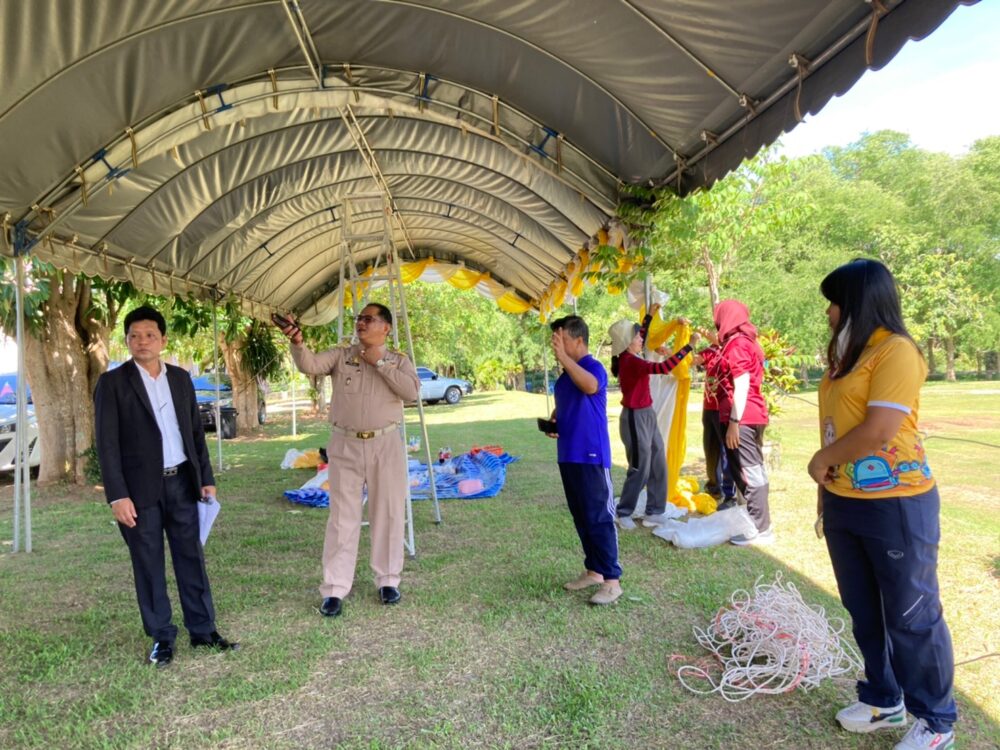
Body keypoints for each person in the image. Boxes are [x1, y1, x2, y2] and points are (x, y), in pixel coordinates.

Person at [808, 259, 956, 750]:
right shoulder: (850, 355)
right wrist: (826, 489)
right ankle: (883, 698)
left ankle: (936, 722)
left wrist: (821, 461)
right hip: (845, 501)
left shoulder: (897, 351)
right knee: (864, 609)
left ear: (858, 302)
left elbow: (879, 431)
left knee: (911, 615)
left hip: (896, 504)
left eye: (835, 302)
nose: (829, 312)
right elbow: (836, 426)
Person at [94, 305, 238, 668]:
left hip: (183, 483)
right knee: (148, 564)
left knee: (191, 557)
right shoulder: (112, 383)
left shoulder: (180, 378)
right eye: (134, 336)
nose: (142, 342)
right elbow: (106, 444)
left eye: (150, 335)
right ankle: (162, 636)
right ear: (127, 341)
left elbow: (195, 433)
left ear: (163, 340)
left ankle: (203, 630)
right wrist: (117, 495)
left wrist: (206, 479)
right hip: (138, 492)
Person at [277, 303, 419, 617]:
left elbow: (411, 392)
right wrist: (297, 342)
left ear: (386, 327)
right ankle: (335, 588)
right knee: (342, 517)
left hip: (386, 443)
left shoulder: (399, 360)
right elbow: (310, 364)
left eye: (369, 319)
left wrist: (379, 361)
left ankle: (388, 580)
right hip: (345, 444)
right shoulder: (342, 355)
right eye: (359, 319)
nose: (361, 323)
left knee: (389, 513)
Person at [547, 315, 621, 605]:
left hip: (591, 456)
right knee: (581, 516)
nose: (556, 346)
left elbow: (590, 386)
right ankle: (594, 571)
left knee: (599, 517)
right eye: (554, 340)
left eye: (561, 340)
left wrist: (564, 358)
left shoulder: (593, 367)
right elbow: (569, 404)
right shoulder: (566, 376)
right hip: (568, 454)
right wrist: (555, 420)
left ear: (579, 340)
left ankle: (612, 581)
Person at [607, 303, 697, 529]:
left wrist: (649, 316)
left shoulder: (631, 354)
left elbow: (642, 334)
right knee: (640, 467)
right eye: (636, 337)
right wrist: (689, 346)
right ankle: (623, 512)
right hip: (634, 418)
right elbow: (664, 368)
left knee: (658, 462)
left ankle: (654, 512)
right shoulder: (631, 361)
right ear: (627, 343)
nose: (641, 339)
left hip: (647, 414)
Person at [713, 299, 772, 544]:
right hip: (749, 415)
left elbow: (742, 383)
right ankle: (755, 521)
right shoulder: (745, 342)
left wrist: (734, 422)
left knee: (750, 471)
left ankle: (760, 528)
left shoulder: (737, 345)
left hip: (743, 418)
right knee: (748, 469)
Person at [696, 328, 736, 508]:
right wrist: (674, 351)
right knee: (710, 449)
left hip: (724, 409)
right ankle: (714, 487)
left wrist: (716, 340)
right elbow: (694, 360)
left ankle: (730, 493)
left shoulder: (732, 349)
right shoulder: (711, 350)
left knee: (727, 452)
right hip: (709, 408)